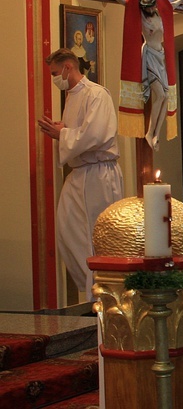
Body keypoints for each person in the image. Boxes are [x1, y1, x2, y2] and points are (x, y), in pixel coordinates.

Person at [37, 49, 124, 300]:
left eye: (55, 73)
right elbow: (79, 132)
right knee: (68, 232)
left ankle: (103, 297)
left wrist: (62, 134)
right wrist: (63, 130)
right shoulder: (72, 97)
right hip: (80, 172)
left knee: (96, 236)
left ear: (67, 67)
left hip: (98, 173)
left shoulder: (96, 94)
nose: (55, 79)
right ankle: (90, 292)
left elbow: (96, 134)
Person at [98, 0, 183, 151]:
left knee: (166, 96)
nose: (148, 10)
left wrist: (181, 2)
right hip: (149, 56)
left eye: (151, 7)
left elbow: (169, 7)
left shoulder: (160, 15)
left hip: (160, 55)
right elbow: (126, 3)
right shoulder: (141, 16)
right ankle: (150, 132)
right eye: (146, 7)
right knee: (160, 95)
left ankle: (155, 134)